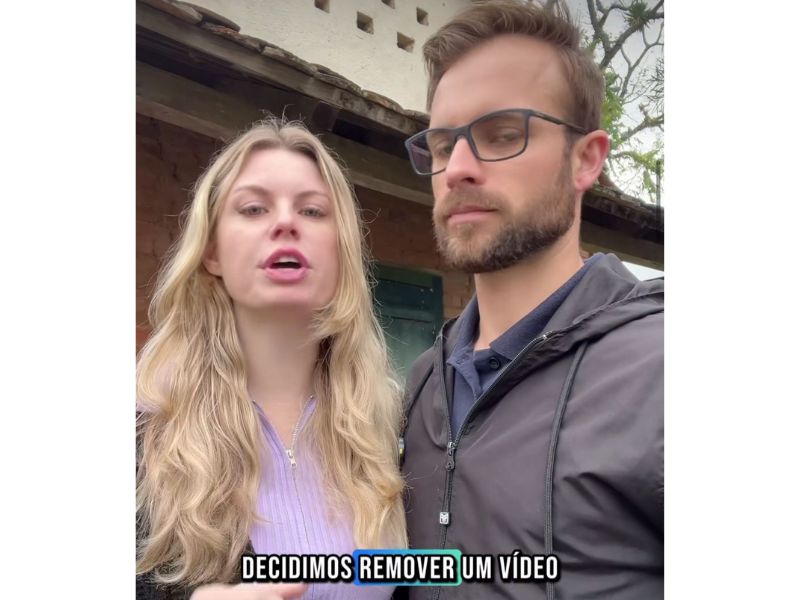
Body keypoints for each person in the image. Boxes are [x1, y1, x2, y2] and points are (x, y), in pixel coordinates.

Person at [400, 1, 663, 598]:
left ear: (585, 159)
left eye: (501, 135)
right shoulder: (423, 384)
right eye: (441, 146)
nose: (456, 169)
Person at [136, 119, 407, 600]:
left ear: (341, 250)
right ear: (212, 252)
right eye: (254, 208)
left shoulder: (392, 423)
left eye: (313, 210)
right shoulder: (143, 426)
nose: (286, 223)